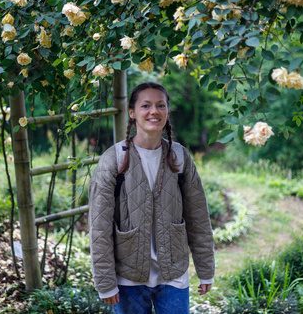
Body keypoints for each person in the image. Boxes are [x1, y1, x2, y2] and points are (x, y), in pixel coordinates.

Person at [88, 82, 215, 314]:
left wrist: (205, 269)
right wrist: (105, 283)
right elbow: (99, 227)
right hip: (128, 278)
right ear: (132, 113)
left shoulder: (179, 156)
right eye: (145, 105)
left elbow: (198, 218)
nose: (153, 111)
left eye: (160, 105)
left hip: (173, 274)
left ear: (167, 112)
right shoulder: (113, 159)